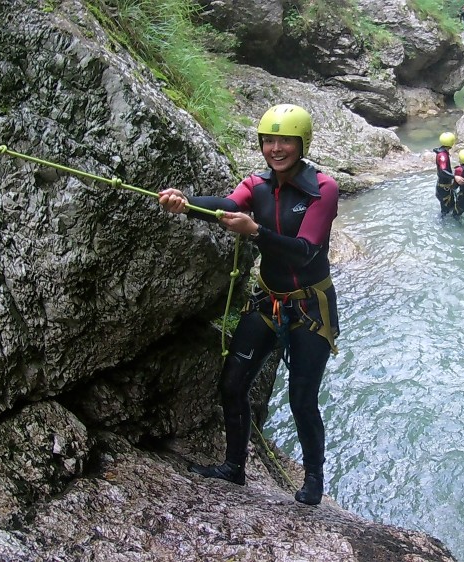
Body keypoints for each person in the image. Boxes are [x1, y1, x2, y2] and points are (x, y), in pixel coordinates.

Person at [158, 104, 339, 506]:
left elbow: (306, 252)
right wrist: (186, 202)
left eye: (285, 141)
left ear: (301, 143)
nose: (276, 148)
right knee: (232, 383)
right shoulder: (256, 184)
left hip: (310, 308)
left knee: (302, 400)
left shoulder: (322, 189)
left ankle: (313, 481)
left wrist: (256, 231)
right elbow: (227, 203)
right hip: (267, 302)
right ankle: (234, 466)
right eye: (269, 140)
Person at [433, 132, 457, 216]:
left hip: (445, 187)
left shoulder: (443, 153)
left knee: (450, 207)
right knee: (445, 211)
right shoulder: (443, 155)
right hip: (444, 188)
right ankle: (442, 224)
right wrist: (455, 177)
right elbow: (443, 171)